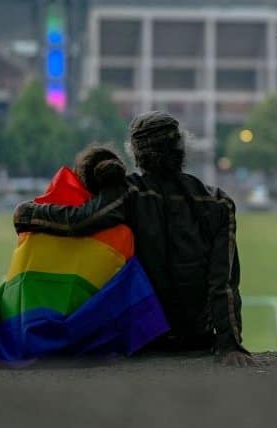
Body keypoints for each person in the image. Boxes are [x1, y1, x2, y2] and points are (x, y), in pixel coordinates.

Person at [13, 112, 254, 367]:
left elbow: (78, 221)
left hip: (143, 342)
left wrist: (27, 213)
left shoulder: (128, 193)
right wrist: (230, 345)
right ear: (181, 149)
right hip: (197, 340)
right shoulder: (218, 203)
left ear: (137, 155)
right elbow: (223, 283)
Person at [0, 145, 169, 365]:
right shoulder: (122, 236)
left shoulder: (34, 225)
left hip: (26, 337)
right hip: (87, 341)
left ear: (78, 177)